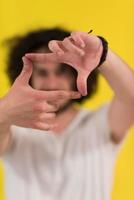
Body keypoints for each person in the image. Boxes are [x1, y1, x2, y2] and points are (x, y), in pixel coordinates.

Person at [0, 28, 134, 200]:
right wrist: (5, 112)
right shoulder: (12, 128)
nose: (52, 82)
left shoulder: (99, 124)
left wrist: (102, 56)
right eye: (42, 72)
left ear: (75, 75)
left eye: (61, 72)